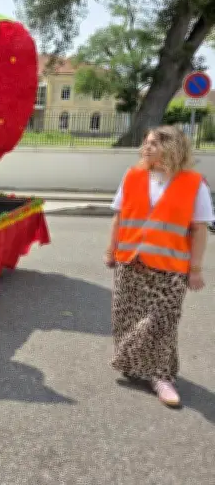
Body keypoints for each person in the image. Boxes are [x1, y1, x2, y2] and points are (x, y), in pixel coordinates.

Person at [105, 125, 213, 407]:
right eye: (146, 142)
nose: (146, 147)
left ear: (172, 147)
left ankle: (161, 377)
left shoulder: (194, 183)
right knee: (126, 318)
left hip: (171, 268)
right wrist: (111, 250)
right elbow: (119, 217)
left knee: (162, 323)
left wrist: (196, 269)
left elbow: (199, 229)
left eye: (154, 143)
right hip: (131, 262)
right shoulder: (132, 176)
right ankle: (137, 366)